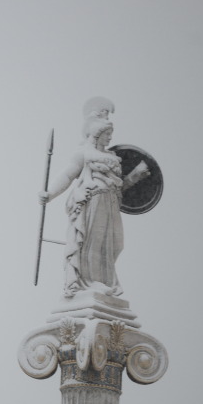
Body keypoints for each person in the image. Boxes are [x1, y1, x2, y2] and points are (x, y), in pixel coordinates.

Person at [39, 103, 146, 298]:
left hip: (111, 203)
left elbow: (118, 186)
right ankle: (89, 282)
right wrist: (50, 193)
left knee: (115, 244)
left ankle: (104, 280)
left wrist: (135, 176)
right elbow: (67, 176)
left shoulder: (112, 157)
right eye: (107, 133)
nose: (110, 137)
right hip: (93, 202)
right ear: (97, 133)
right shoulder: (83, 154)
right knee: (93, 242)